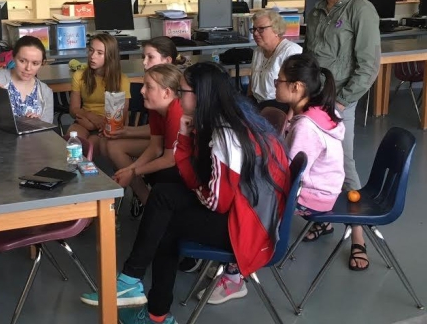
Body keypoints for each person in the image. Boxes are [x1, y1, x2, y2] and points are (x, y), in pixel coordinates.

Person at [80, 62, 291, 324]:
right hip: (247, 212)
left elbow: (217, 202)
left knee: (165, 221)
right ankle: (138, 290)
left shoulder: (225, 135)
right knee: (164, 195)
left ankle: (149, 306)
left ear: (201, 95)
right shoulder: (228, 117)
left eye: (183, 92)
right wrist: (186, 138)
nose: (179, 98)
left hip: (249, 228)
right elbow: (201, 179)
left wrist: (193, 176)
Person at [303, 0, 381, 271]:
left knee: (344, 166)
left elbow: (368, 67)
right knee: (311, 164)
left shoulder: (361, 11)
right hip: (312, 101)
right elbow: (311, 57)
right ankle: (324, 220)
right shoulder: (317, 10)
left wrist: (339, 103)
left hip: (338, 104)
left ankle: (359, 237)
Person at [275, 53, 345, 214]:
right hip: (325, 189)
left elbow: (291, 173)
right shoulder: (321, 109)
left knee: (253, 191)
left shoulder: (305, 127)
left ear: (296, 86)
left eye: (279, 80)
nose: (276, 84)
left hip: (315, 197)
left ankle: (272, 237)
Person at [104, 36, 183, 166]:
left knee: (116, 145)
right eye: (143, 57)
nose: (144, 62)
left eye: (150, 57)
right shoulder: (154, 99)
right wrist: (126, 131)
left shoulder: (178, 95)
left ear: (168, 60)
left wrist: (127, 131)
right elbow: (158, 131)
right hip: (162, 141)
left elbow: (166, 133)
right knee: (112, 144)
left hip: (175, 149)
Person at [112, 64, 184, 205]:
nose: (142, 91)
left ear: (167, 93)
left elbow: (170, 159)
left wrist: (134, 172)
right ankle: (148, 202)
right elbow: (155, 147)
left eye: (149, 87)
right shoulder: (155, 107)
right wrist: (129, 169)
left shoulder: (176, 110)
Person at [69, 33, 131, 155]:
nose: (92, 56)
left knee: (89, 147)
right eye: (91, 51)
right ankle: (74, 172)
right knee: (73, 143)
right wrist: (92, 118)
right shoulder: (79, 76)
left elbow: (121, 116)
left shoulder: (121, 80)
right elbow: (73, 109)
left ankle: (89, 173)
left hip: (109, 126)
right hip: (85, 120)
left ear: (110, 56)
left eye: (99, 53)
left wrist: (98, 125)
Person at [248, 9, 302, 112]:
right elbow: (252, 79)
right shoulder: (258, 51)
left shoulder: (291, 51)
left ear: (276, 30)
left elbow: (298, 92)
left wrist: (289, 120)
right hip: (259, 104)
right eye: (254, 29)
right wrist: (248, 102)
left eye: (261, 29)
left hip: (279, 107)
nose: (255, 33)